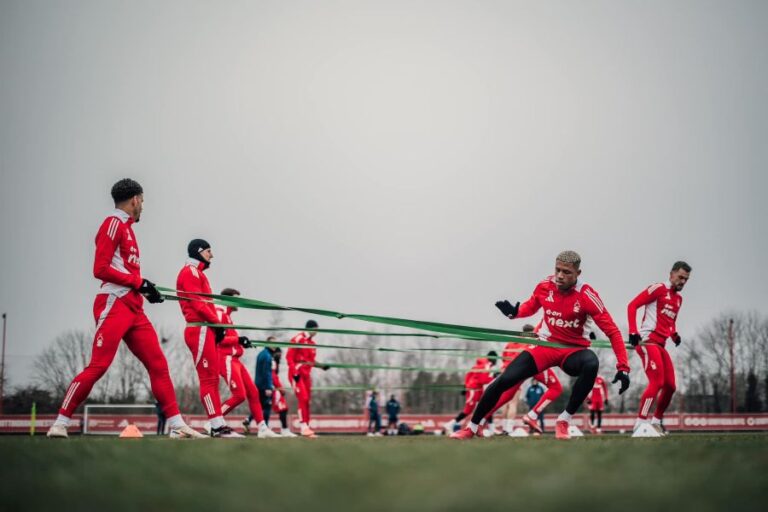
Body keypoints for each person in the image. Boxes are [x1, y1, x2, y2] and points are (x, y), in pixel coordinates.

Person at [47, 179, 203, 439]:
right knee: (99, 365)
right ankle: (60, 423)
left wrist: (146, 289)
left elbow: (128, 274)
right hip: (114, 303)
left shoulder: (129, 229)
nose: (143, 206)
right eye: (142, 201)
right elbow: (100, 269)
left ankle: (177, 426)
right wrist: (138, 282)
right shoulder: (113, 224)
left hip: (134, 308)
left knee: (158, 364)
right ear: (135, 199)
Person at [451, 250, 630, 440]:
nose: (560, 276)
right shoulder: (545, 286)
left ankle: (564, 420)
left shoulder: (587, 296)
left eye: (566, 272)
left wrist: (623, 367)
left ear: (578, 273)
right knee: (504, 380)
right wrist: (514, 313)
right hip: (545, 347)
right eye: (557, 270)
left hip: (573, 351)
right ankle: (472, 427)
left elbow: (613, 331)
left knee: (591, 362)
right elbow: (531, 306)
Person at [176, 239, 242, 438]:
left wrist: (216, 326)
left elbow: (204, 304)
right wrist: (217, 324)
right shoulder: (190, 272)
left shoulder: (198, 273)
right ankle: (216, 426)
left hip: (206, 329)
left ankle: (218, 424)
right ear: (198, 252)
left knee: (212, 379)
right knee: (208, 379)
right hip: (199, 329)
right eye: (208, 251)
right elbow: (198, 304)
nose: (211, 255)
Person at [628, 261, 691, 435]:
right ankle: (640, 423)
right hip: (648, 342)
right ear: (671, 274)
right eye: (680, 277)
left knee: (670, 386)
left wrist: (674, 334)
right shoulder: (658, 289)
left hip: (661, 345)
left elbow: (671, 322)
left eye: (686, 279)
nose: (683, 282)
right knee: (657, 382)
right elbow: (632, 306)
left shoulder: (678, 300)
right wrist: (633, 331)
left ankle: (656, 422)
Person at [215, 289, 279, 438]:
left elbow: (231, 340)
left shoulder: (228, 317)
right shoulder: (220, 313)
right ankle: (214, 422)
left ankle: (262, 428)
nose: (240, 302)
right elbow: (219, 340)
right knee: (239, 395)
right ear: (228, 300)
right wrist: (238, 340)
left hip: (236, 360)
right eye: (236, 299)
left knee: (253, 393)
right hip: (226, 359)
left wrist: (242, 343)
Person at [286, 320, 330, 438]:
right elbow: (289, 358)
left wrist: (322, 366)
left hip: (306, 375)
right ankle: (303, 426)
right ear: (309, 328)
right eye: (315, 329)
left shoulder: (312, 343)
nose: (316, 332)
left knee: (307, 401)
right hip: (296, 373)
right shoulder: (298, 339)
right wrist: (295, 373)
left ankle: (307, 427)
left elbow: (310, 361)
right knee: (303, 398)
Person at [443, 351, 498, 433]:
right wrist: (495, 377)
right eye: (496, 359)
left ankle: (492, 429)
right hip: (474, 389)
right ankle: (450, 424)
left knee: (487, 405)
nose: (496, 361)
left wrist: (465, 386)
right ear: (493, 359)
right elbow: (483, 380)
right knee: (468, 410)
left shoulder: (479, 364)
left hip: (477, 389)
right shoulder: (487, 365)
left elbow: (469, 375)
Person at [247, 337, 279, 431]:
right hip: (264, 386)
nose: (275, 345)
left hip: (258, 384)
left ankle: (248, 420)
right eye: (273, 343)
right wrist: (268, 387)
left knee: (259, 405)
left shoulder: (261, 354)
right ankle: (265, 428)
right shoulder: (267, 356)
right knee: (267, 406)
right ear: (267, 344)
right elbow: (267, 372)